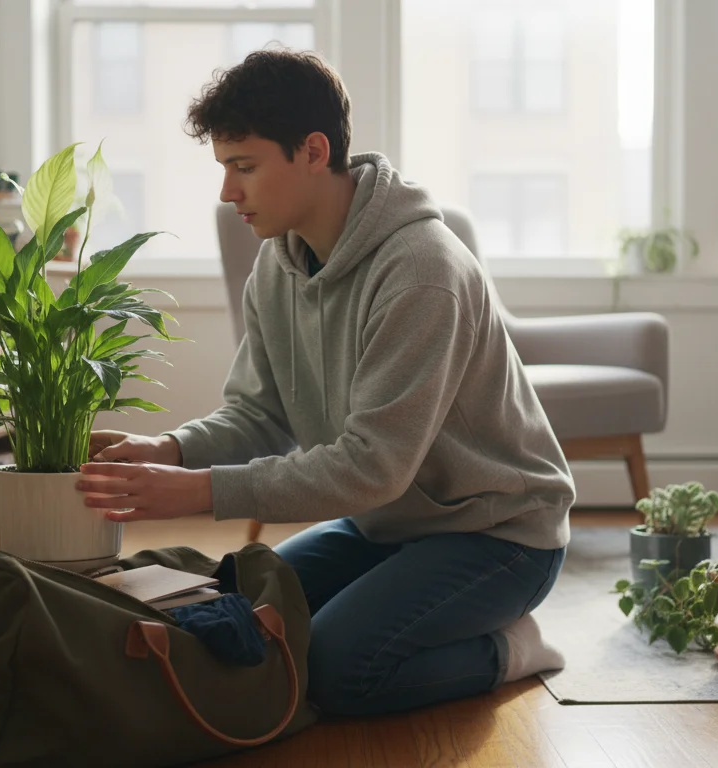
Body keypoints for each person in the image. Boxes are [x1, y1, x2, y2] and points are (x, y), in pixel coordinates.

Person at [77, 48, 573, 717]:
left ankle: (510, 648)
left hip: (498, 535)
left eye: (243, 166)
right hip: (385, 525)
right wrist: (169, 451)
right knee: (235, 615)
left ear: (313, 150)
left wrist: (198, 491)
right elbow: (258, 414)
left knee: (338, 670)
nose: (228, 192)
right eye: (224, 168)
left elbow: (374, 465)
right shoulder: (276, 268)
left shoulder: (422, 270)